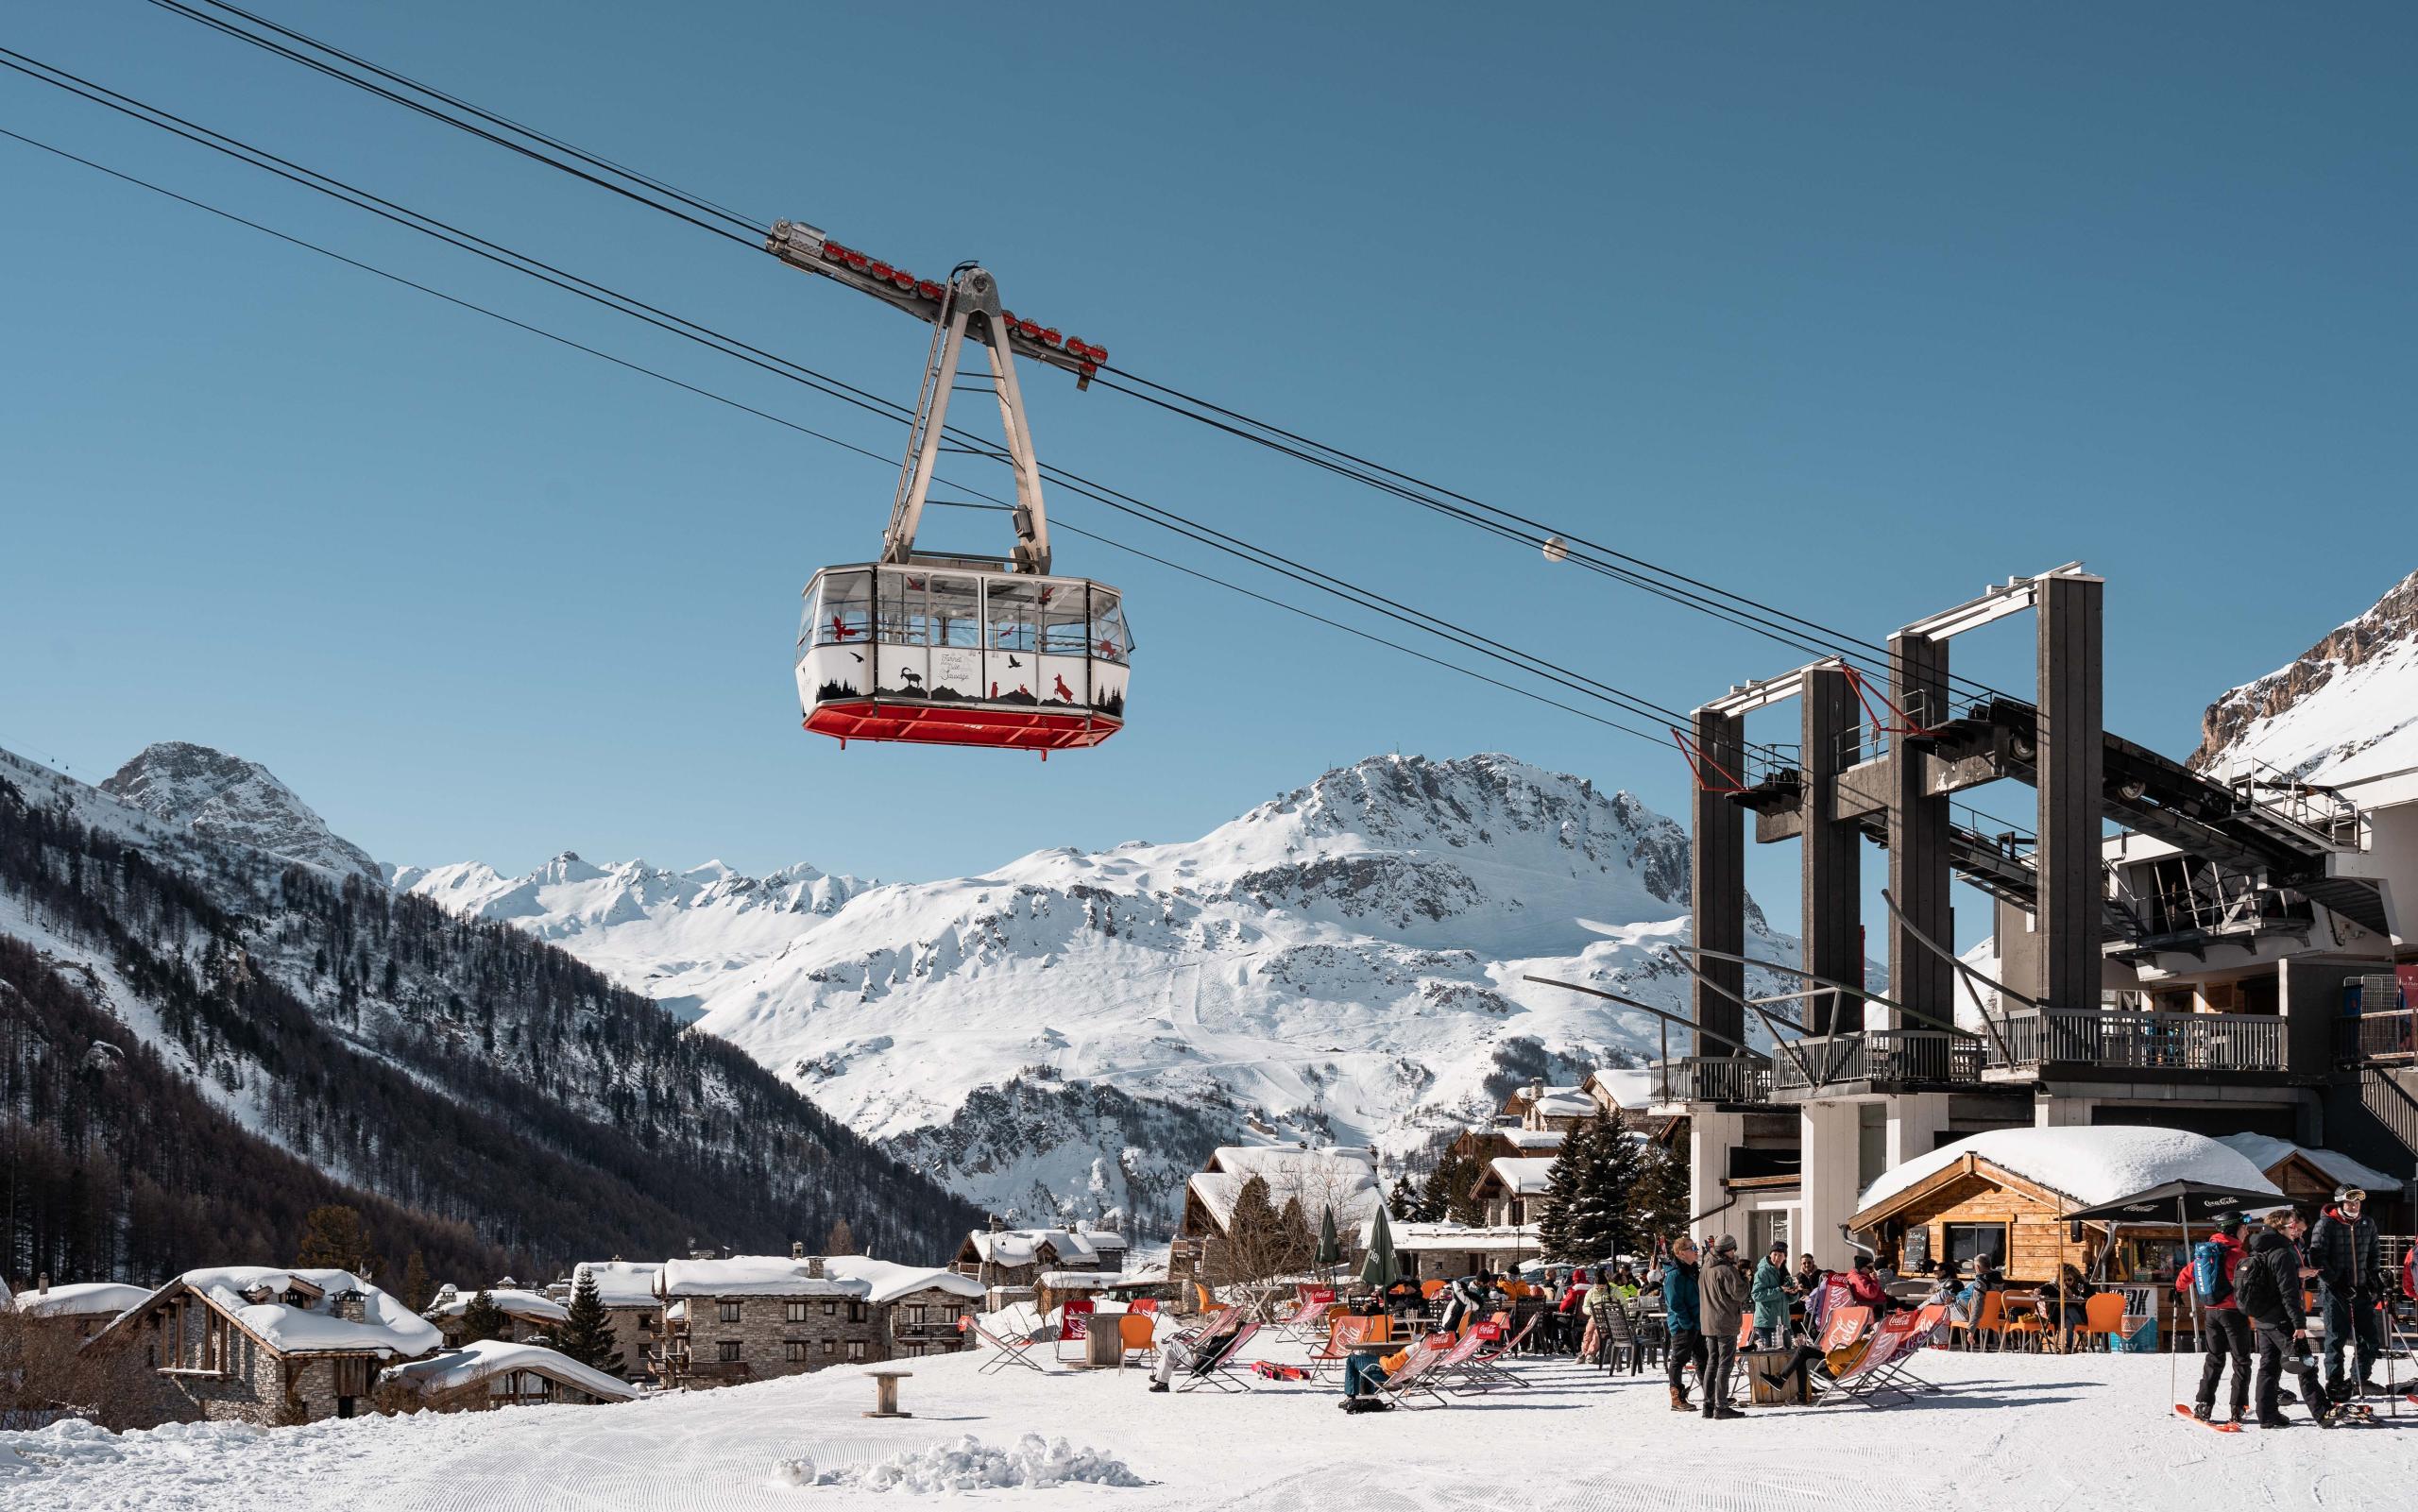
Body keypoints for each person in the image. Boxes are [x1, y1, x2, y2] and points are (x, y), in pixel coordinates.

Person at [2235, 1208, 2333, 1429]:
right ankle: (2323, 1412)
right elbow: (2288, 1293)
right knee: (2305, 1363)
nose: (2296, 1229)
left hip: (2263, 1318)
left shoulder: (2261, 1249)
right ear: (2280, 1227)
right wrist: (2299, 1324)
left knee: (2269, 1367)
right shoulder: (2281, 1253)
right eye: (2292, 1225)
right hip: (2280, 1319)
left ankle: (2268, 1415)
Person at [2307, 1187, 2383, 1401]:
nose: (2354, 1206)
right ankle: (2336, 1381)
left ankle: (2360, 1379)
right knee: (2336, 1338)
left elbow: (2374, 1253)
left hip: (2360, 1288)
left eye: (2357, 1203)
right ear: (2340, 1204)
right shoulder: (2326, 1224)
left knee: (2369, 1339)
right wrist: (2336, 1281)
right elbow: (2317, 1257)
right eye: (2350, 1203)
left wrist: (2374, 1278)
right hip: (2335, 1290)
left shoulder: (2367, 1223)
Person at [2185, 1214, 2252, 1424]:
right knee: (2241, 1360)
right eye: (2244, 1228)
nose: (2247, 1231)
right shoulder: (2237, 1254)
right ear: (2233, 1230)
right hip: (2233, 1313)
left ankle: (2204, 1404)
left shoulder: (2206, 1253)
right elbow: (2244, 1283)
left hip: (2211, 1312)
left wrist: (2177, 1290)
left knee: (2214, 1358)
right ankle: (2238, 1407)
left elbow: (2188, 1273)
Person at [1699, 1235, 1750, 1420]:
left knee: (1712, 1363)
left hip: (1708, 1321)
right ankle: (1721, 1406)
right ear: (1727, 1250)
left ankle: (1708, 1404)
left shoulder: (1706, 1266)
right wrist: (1744, 1278)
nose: (1734, 1253)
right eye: (1732, 1249)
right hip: (1724, 1321)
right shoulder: (1726, 1269)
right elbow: (1740, 1294)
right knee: (1725, 1364)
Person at [1661, 1234, 1705, 1413]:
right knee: (1679, 1360)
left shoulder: (1693, 1270)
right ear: (1680, 1253)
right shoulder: (1675, 1274)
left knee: (1703, 1359)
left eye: (1696, 1248)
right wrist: (1687, 1323)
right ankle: (1677, 1397)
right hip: (1682, 1326)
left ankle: (1712, 1393)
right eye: (1692, 1249)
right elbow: (1675, 1303)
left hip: (1697, 1322)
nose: (1696, 1252)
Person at [1750, 1240, 1794, 1350]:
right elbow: (1756, 1295)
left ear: (1785, 1257)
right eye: (1775, 1254)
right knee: (1770, 1356)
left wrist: (1794, 1293)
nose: (1777, 1258)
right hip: (1767, 1323)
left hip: (1784, 1323)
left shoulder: (1785, 1273)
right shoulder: (1763, 1272)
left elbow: (1790, 1299)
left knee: (1786, 1356)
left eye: (1780, 1255)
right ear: (1770, 1255)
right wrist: (1779, 1290)